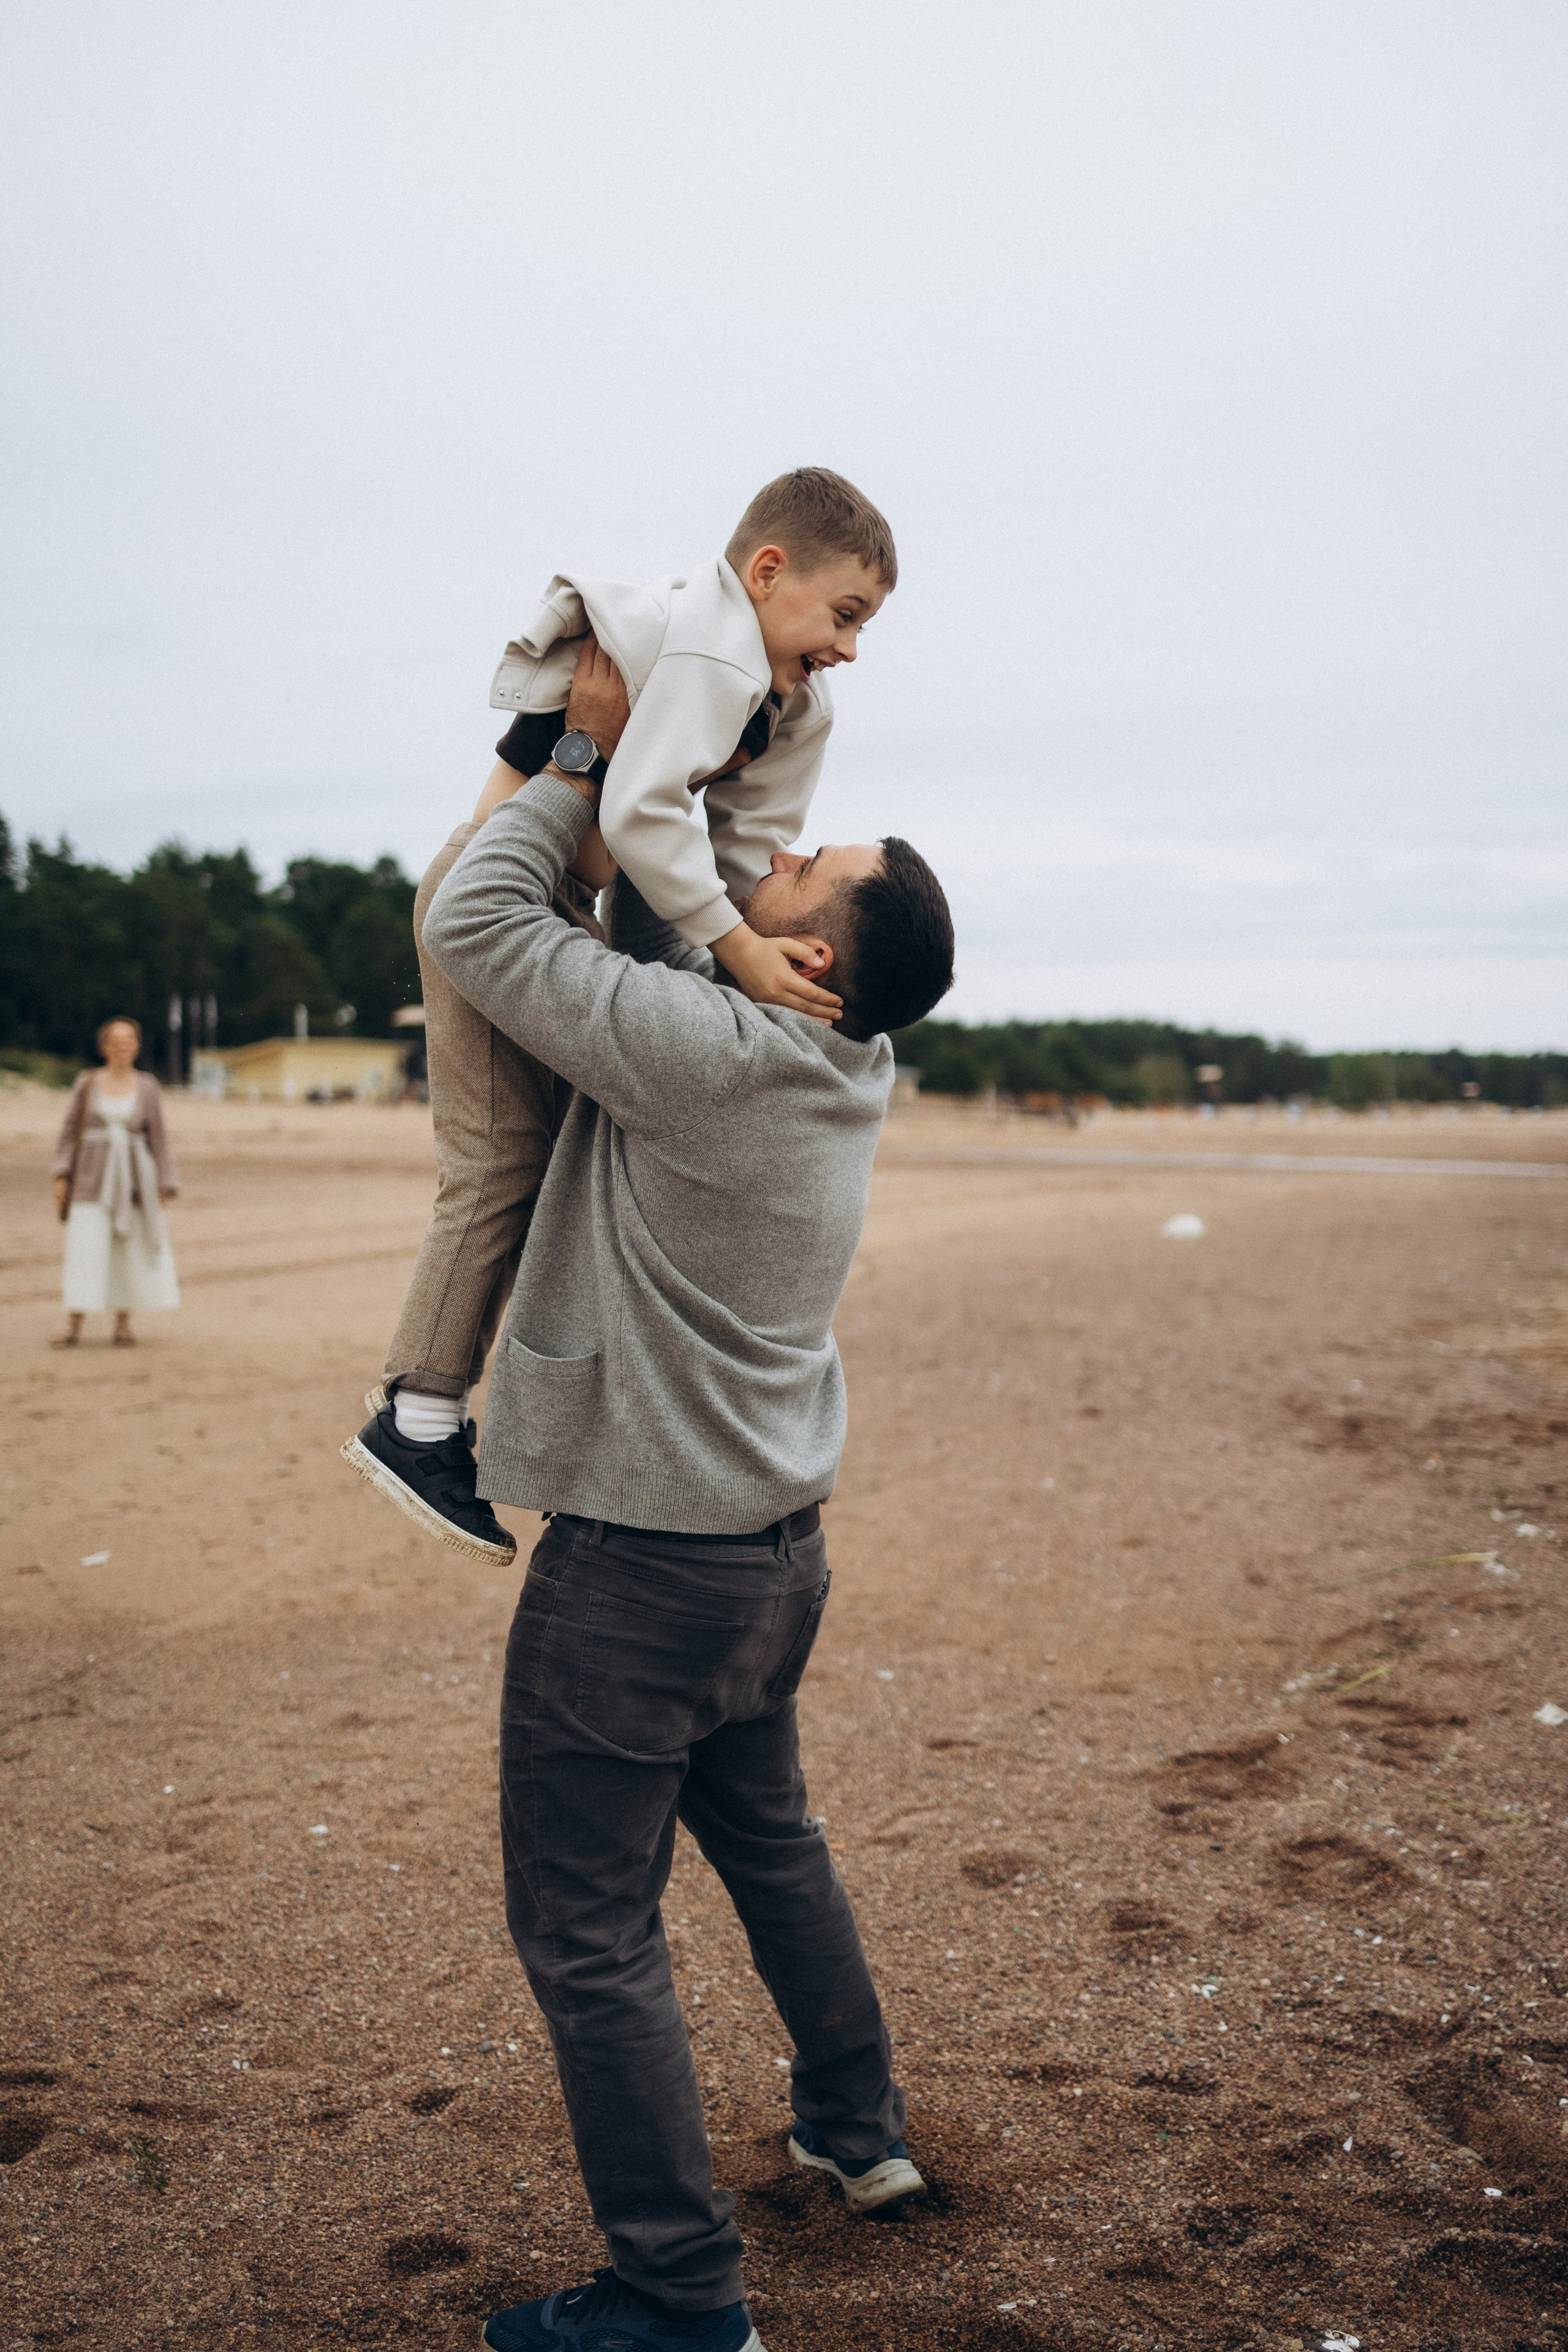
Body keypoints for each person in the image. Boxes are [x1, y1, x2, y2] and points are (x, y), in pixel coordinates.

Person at [417, 645, 955, 2352]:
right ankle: (856, 2134)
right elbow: (683, 915)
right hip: (768, 1563)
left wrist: (578, 748)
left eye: (802, 869)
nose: (770, 861)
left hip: (648, 1579)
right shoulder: (837, 1063)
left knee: (588, 1935)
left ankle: (679, 2295)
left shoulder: (715, 1052)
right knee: (770, 1841)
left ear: (809, 956)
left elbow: (480, 931)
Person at [342, 466, 895, 1561]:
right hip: (502, 884)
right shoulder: (712, 650)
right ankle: (415, 1420)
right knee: (501, 1160)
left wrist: (743, 972)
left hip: (567, 892)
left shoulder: (789, 697)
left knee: (545, 1159)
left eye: (867, 625)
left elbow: (736, 848)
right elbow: (645, 815)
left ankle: (445, 1410)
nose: (850, 648)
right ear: (767, 572)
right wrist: (737, 948)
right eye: (843, 615)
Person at [50, 1017, 179, 1348]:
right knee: (85, 1250)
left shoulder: (148, 1086)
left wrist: (166, 1183)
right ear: (104, 1047)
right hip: (90, 1180)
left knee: (127, 1251)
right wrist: (62, 1175)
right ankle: (74, 1325)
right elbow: (68, 1133)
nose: (123, 1046)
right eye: (116, 1041)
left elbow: (159, 1140)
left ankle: (123, 1325)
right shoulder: (87, 1082)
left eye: (129, 1040)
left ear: (137, 1046)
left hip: (136, 1181)